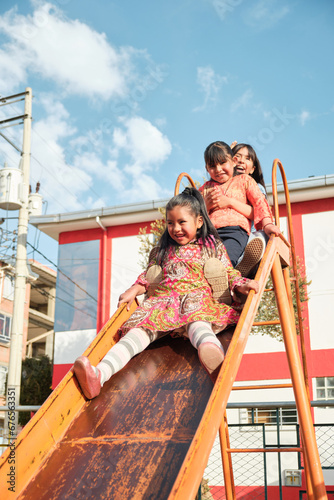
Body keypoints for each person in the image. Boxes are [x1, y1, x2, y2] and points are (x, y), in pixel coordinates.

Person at [73, 187, 259, 399]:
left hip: (195, 297)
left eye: (182, 222)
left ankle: (213, 354)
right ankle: (99, 374)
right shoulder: (164, 248)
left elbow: (226, 269)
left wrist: (241, 284)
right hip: (163, 301)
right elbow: (148, 274)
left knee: (198, 324)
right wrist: (133, 289)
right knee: (137, 332)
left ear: (199, 222)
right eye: (170, 223)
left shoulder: (210, 245)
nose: (175, 228)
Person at [199, 141, 280, 275]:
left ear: (233, 162)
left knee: (227, 259)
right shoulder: (206, 188)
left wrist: (267, 224)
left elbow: (259, 203)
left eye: (222, 163)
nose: (218, 169)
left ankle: (234, 279)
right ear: (207, 168)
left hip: (235, 231)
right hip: (210, 234)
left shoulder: (244, 181)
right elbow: (194, 215)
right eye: (212, 166)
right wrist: (206, 207)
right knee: (204, 264)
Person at [231, 143, 269, 276]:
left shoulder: (256, 187)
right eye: (237, 156)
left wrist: (230, 203)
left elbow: (258, 213)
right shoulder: (223, 187)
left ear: (252, 169)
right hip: (229, 234)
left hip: (249, 234)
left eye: (247, 158)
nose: (241, 160)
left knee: (260, 238)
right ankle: (235, 268)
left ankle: (243, 263)